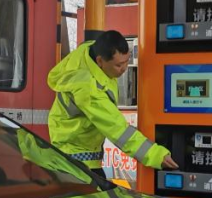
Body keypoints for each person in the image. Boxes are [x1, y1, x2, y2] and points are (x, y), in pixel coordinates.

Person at [47, 30, 178, 173]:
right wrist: (155, 155)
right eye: (119, 65)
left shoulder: (88, 51)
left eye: (127, 61)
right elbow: (118, 130)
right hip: (76, 159)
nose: (124, 69)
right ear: (100, 61)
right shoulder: (88, 89)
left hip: (74, 150)